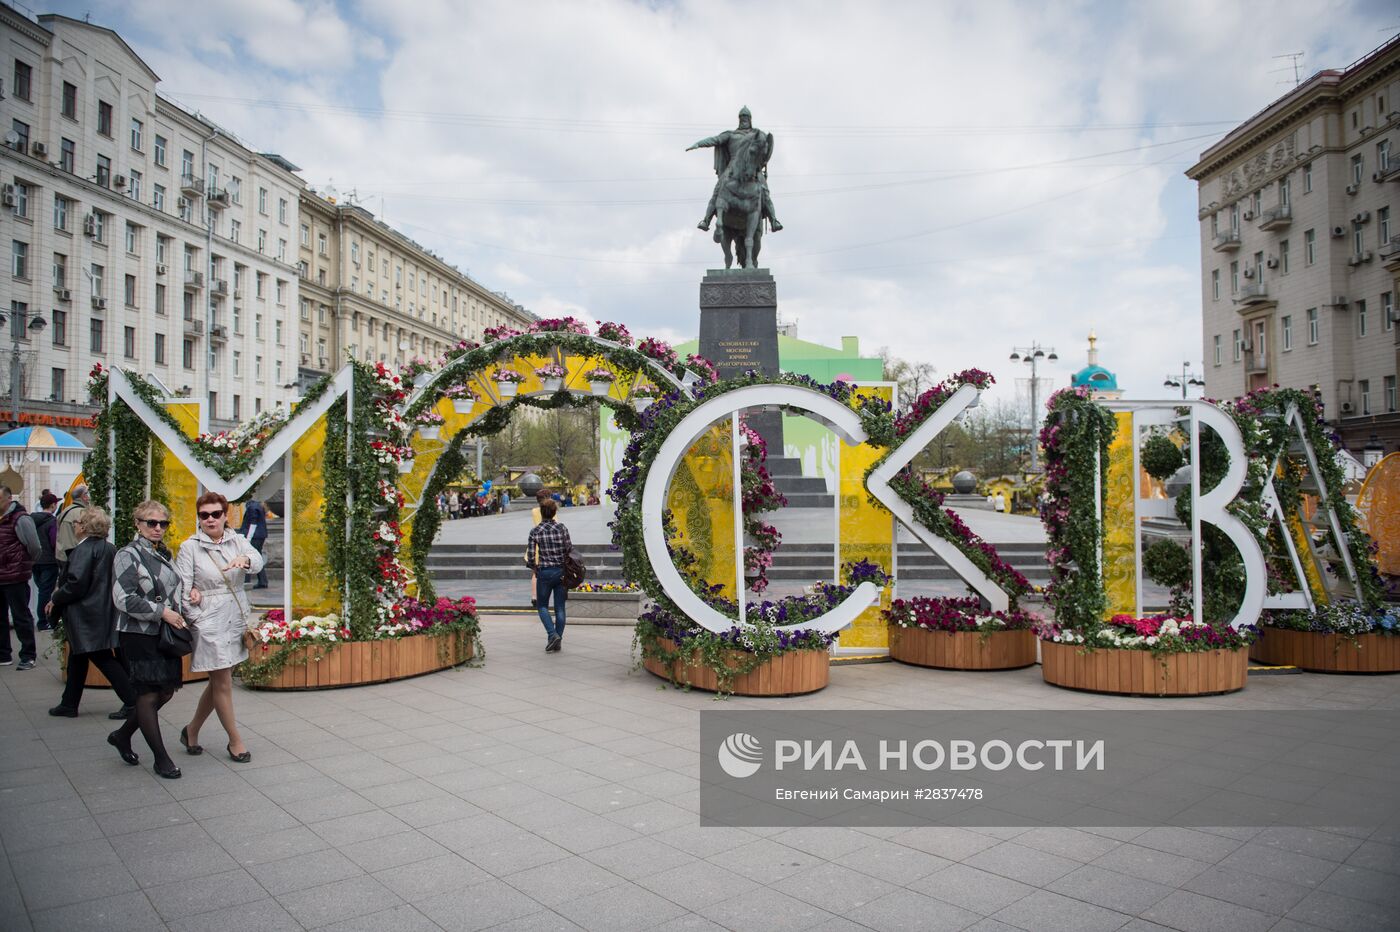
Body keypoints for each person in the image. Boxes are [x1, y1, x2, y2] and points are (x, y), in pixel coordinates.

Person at [176, 492, 262, 764]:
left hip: (234, 616)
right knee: (223, 681)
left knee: (218, 681)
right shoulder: (189, 547)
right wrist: (197, 620)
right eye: (204, 515)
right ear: (198, 518)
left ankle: (191, 730)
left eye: (215, 514)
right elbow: (181, 589)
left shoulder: (237, 540)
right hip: (208, 620)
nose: (210, 519)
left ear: (225, 516)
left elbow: (257, 561)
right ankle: (235, 740)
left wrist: (245, 561)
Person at [109, 500, 188, 779]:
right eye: (150, 522)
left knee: (165, 691)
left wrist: (185, 605)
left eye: (162, 523)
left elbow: (174, 588)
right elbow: (122, 598)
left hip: (163, 634)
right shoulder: (127, 554)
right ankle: (161, 758)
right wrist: (162, 612)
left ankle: (122, 735)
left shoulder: (162, 553)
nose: (157, 528)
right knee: (148, 693)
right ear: (137, 524)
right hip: (137, 634)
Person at [47, 507, 137, 718]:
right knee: (80, 657)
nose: (75, 525)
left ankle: (133, 701)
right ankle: (69, 703)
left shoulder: (83, 550)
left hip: (86, 614)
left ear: (85, 527)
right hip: (102, 611)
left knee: (101, 657)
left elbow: (75, 584)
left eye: (78, 522)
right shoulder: (109, 548)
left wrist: (55, 598)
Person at [688, 106, 782, 232]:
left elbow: (766, 147)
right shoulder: (731, 135)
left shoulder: (757, 135)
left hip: (753, 168)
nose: (744, 119)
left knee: (765, 192)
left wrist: (762, 161)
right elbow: (715, 140)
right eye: (742, 117)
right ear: (739, 119)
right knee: (717, 190)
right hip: (732, 168)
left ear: (750, 119)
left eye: (746, 117)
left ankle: (773, 220)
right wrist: (699, 144)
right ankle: (706, 220)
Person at [0, 485, 42, 670]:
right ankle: (3, 654)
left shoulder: (21, 519)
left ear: (8, 499)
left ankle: (28, 655)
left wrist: (25, 565)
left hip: (15, 576)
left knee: (21, 616)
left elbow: (35, 547)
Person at [525, 499, 571, 653]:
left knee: (542, 605)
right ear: (554, 512)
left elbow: (531, 556)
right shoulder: (562, 528)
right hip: (561, 572)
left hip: (544, 572)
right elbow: (569, 549)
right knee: (560, 609)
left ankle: (552, 635)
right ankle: (557, 639)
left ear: (541, 512)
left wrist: (534, 567)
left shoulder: (535, 531)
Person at [31, 492, 61, 630]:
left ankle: (41, 619)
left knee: (40, 590)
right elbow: (54, 541)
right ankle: (43, 621)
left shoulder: (31, 520)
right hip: (48, 561)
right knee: (45, 591)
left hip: (34, 560)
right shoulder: (51, 521)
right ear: (53, 505)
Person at [527, 489, 552, 609]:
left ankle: (534, 597)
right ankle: (543, 597)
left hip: (537, 541)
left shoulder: (534, 511)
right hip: (547, 543)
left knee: (535, 573)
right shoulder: (549, 510)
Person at [237, 498, 269, 589]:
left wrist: (248, 539)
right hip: (260, 535)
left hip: (254, 536)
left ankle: (246, 581)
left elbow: (253, 524)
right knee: (258, 556)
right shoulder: (258, 506)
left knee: (247, 556)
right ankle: (263, 581)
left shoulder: (252, 507)